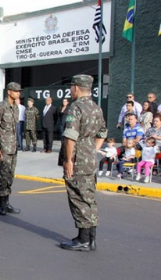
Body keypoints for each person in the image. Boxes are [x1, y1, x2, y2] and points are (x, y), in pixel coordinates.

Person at [60, 74, 107, 252]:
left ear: (76, 88)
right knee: (88, 197)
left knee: (78, 198)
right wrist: (92, 150)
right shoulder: (96, 108)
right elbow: (102, 133)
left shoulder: (76, 107)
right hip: (89, 158)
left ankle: (83, 240)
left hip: (78, 158)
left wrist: (69, 160)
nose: (71, 90)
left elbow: (71, 137)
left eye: (71, 87)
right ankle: (91, 238)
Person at [0, 82, 22, 216]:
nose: (18, 93)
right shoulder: (0, 107)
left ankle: (7, 203)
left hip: (12, 148)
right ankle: (1, 205)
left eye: (19, 91)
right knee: (2, 176)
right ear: (9, 92)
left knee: (9, 176)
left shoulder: (15, 107)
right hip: (2, 148)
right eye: (16, 91)